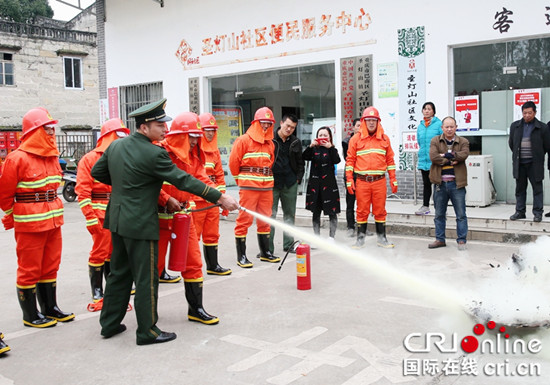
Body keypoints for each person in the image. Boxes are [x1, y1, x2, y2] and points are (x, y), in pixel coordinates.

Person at [91, 99, 239, 345]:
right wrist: (219, 197)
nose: (164, 129)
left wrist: (125, 184)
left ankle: (109, 323)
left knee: (118, 274)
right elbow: (183, 180)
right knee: (147, 277)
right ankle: (147, 331)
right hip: (140, 222)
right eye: (159, 125)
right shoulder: (154, 152)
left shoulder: (116, 147)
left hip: (117, 220)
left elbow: (98, 173)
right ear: (144, 127)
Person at [0, 108, 74, 328]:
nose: (52, 132)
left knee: (51, 265)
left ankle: (50, 308)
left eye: (52, 129)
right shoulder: (17, 158)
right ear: (35, 131)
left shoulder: (52, 157)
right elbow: (4, 195)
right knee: (29, 269)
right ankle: (30, 314)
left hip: (53, 221)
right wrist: (12, 216)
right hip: (30, 223)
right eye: (47, 128)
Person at [157, 112, 223, 324]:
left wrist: (222, 197)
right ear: (178, 135)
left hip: (183, 218)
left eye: (197, 136)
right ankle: (148, 314)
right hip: (157, 219)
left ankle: (196, 309)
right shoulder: (159, 154)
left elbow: (202, 181)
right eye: (191, 136)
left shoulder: (194, 157)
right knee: (153, 268)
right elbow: (150, 182)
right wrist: (166, 198)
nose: (195, 141)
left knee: (193, 263)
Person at [76, 119, 130, 303]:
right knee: (100, 251)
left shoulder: (122, 157)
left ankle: (112, 286)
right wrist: (90, 217)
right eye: (118, 135)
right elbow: (82, 192)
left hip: (119, 211)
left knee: (114, 252)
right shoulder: (90, 159)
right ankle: (97, 290)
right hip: (99, 214)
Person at [229, 107, 279, 268]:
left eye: (268, 124)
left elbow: (270, 164)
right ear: (256, 123)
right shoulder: (243, 140)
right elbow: (233, 163)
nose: (265, 126)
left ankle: (265, 253)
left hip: (266, 187)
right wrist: (241, 181)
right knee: (244, 220)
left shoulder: (270, 144)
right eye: (263, 123)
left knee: (265, 219)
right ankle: (241, 256)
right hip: (249, 187)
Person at [346, 106, 398, 249]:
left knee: (380, 211)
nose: (371, 123)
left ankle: (382, 239)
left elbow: (390, 161)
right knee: (361, 211)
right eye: (368, 120)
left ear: (378, 122)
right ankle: (360, 240)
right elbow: (350, 161)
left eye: (374, 120)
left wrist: (393, 179)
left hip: (379, 181)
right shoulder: (355, 140)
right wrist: (349, 180)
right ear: (363, 121)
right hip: (362, 181)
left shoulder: (384, 139)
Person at [194, 112, 231, 275]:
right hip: (197, 200)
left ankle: (213, 265)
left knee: (212, 234)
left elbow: (220, 177)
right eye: (207, 129)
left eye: (213, 130)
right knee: (194, 236)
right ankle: (193, 267)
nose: (210, 133)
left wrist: (222, 200)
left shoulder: (215, 152)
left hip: (213, 200)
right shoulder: (193, 150)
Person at [428, 116, 470, 250]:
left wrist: (444, 155)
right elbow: (433, 157)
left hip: (457, 184)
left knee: (461, 215)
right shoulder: (435, 140)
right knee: (439, 214)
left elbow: (464, 154)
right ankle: (440, 239)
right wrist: (451, 157)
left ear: (456, 127)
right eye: (447, 127)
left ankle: (461, 240)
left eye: (452, 126)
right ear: (442, 128)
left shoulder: (463, 141)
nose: (449, 129)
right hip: (440, 184)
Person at [508, 101, 550, 222]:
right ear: (522, 113)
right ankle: (520, 211)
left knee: (537, 189)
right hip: (520, 163)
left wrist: (538, 156)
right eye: (525, 113)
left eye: (530, 113)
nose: (527, 115)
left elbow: (547, 146)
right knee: (520, 189)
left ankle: (537, 213)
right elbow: (512, 144)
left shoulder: (542, 127)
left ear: (535, 113)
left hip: (534, 164)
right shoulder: (515, 126)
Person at [270, 113, 304, 255]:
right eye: (288, 126)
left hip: (290, 183)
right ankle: (267, 249)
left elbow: (300, 163)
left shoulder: (295, 142)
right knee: (270, 215)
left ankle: (289, 245)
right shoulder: (270, 139)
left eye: (293, 127)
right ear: (281, 123)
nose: (289, 129)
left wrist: (298, 179)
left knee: (289, 215)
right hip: (272, 183)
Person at [302, 126, 341, 242]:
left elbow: (337, 160)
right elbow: (304, 157)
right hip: (315, 185)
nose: (322, 137)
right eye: (320, 135)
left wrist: (331, 148)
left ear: (329, 137)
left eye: (325, 135)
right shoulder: (313, 149)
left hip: (329, 185)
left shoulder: (332, 149)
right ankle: (316, 237)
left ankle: (331, 237)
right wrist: (310, 146)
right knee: (316, 211)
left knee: (332, 212)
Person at [415, 102, 442, 216]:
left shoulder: (439, 124)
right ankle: (425, 206)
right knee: (426, 184)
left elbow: (443, 141)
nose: (426, 111)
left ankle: (439, 207)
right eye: (425, 109)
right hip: (424, 159)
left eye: (429, 109)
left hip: (435, 160)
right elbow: (419, 141)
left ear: (433, 111)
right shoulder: (420, 126)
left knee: (437, 185)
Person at [342, 118, 362, 237]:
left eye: (361, 125)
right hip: (351, 175)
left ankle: (361, 226)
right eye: (358, 125)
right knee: (350, 202)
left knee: (362, 203)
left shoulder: (366, 141)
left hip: (362, 176)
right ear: (353, 127)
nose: (360, 128)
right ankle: (350, 226)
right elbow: (348, 158)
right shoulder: (346, 141)